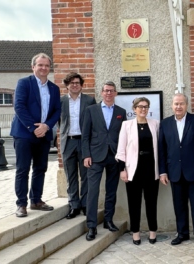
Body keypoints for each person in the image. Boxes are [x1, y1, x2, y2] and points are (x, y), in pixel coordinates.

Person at [11, 53, 61, 217]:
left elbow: (56, 111)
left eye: (46, 65)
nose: (44, 68)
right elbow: (19, 107)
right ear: (33, 67)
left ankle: (36, 200)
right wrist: (33, 128)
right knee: (23, 170)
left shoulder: (54, 88)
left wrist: (46, 126)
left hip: (44, 135)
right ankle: (21, 204)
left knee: (40, 168)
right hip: (24, 134)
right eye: (40, 65)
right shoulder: (24, 83)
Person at [158, 94, 194, 247]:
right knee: (179, 205)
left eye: (181, 103)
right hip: (174, 172)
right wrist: (163, 172)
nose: (178, 106)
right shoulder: (165, 123)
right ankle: (182, 234)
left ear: (187, 105)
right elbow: (162, 150)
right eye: (176, 104)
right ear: (172, 105)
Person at [82, 81, 127, 241]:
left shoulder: (121, 112)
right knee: (93, 191)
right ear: (101, 93)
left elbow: (124, 137)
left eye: (112, 91)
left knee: (111, 191)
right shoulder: (91, 110)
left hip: (114, 156)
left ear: (115, 93)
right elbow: (85, 135)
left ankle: (108, 220)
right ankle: (92, 226)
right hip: (95, 156)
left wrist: (123, 157)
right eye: (106, 90)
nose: (109, 93)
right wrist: (86, 155)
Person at [116, 97, 160, 245]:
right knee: (134, 203)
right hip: (133, 170)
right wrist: (122, 170)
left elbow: (159, 147)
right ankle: (136, 233)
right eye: (140, 106)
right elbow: (121, 149)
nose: (143, 109)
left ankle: (153, 231)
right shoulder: (126, 125)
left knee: (151, 203)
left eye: (146, 107)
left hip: (151, 169)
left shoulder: (155, 124)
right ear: (134, 109)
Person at [59, 72, 96, 219]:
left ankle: (85, 204)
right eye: (72, 83)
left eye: (77, 83)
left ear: (81, 85)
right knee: (70, 175)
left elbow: (93, 121)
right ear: (67, 85)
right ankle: (74, 205)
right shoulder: (60, 101)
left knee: (86, 175)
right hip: (68, 141)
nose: (75, 85)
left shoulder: (89, 100)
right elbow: (58, 121)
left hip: (84, 141)